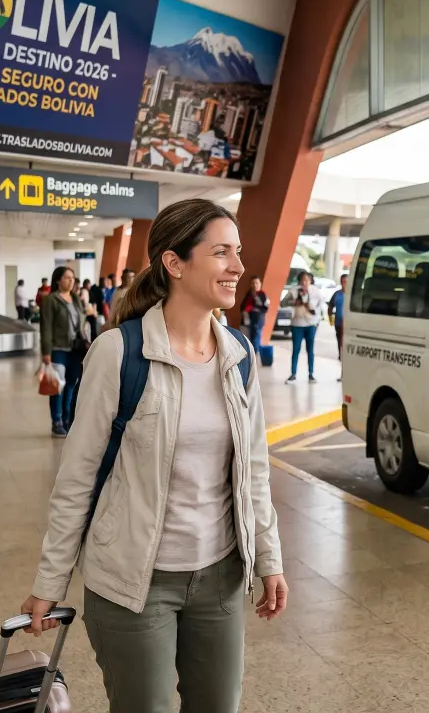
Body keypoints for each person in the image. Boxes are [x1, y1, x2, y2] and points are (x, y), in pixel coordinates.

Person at [22, 199, 287, 712]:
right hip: (133, 583)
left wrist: (269, 559)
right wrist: (49, 582)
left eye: (238, 253)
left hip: (221, 576)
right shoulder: (119, 353)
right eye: (221, 253)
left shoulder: (240, 355)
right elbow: (77, 478)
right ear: (174, 263)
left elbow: (254, 470)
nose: (237, 267)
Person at [39, 266, 87, 438]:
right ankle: (57, 421)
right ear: (58, 280)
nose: (70, 280)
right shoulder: (51, 300)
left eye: (72, 277)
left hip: (75, 349)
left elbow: (82, 323)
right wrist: (46, 352)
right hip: (58, 348)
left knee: (71, 385)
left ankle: (68, 418)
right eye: (67, 277)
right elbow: (46, 328)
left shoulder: (76, 299)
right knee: (57, 386)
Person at [286, 271, 323, 384]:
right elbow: (283, 303)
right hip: (297, 324)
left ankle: (311, 374)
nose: (304, 282)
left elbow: (320, 306)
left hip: (311, 324)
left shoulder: (315, 291)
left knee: (310, 350)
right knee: (296, 349)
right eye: (302, 280)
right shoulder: (293, 290)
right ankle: (293, 374)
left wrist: (310, 305)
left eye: (307, 280)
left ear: (310, 280)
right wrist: (293, 302)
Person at [239, 276, 269, 350]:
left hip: (257, 322)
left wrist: (252, 308)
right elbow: (242, 306)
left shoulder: (262, 295)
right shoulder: (248, 294)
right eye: (253, 283)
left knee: (255, 341)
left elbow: (264, 309)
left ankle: (255, 357)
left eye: (256, 283)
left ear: (260, 284)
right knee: (245, 340)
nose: (255, 285)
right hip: (246, 321)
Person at [328, 274, 347, 354]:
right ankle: (340, 354)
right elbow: (330, 306)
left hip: (349, 323)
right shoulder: (337, 294)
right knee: (339, 339)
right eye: (342, 282)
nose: (344, 284)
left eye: (346, 282)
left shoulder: (353, 294)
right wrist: (330, 318)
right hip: (338, 321)